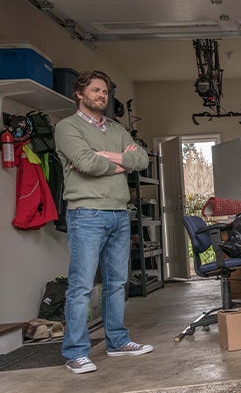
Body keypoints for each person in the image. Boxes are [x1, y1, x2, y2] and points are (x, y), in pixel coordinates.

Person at [55, 70, 153, 374]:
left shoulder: (116, 128)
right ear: (80, 94)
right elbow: (86, 163)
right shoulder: (66, 127)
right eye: (96, 90)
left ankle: (117, 342)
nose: (102, 95)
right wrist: (119, 163)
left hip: (119, 213)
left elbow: (142, 159)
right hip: (86, 213)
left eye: (106, 91)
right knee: (82, 285)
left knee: (117, 283)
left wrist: (109, 156)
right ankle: (76, 353)